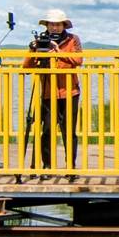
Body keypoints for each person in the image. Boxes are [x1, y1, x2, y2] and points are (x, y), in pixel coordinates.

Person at [25, 9, 82, 170]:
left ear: (64, 25)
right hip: (48, 94)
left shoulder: (73, 39)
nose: (55, 28)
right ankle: (47, 166)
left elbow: (78, 59)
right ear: (47, 25)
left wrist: (58, 52)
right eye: (51, 24)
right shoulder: (41, 40)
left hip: (70, 92)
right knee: (48, 131)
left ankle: (70, 166)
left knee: (69, 132)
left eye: (58, 24)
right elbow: (27, 66)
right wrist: (32, 50)